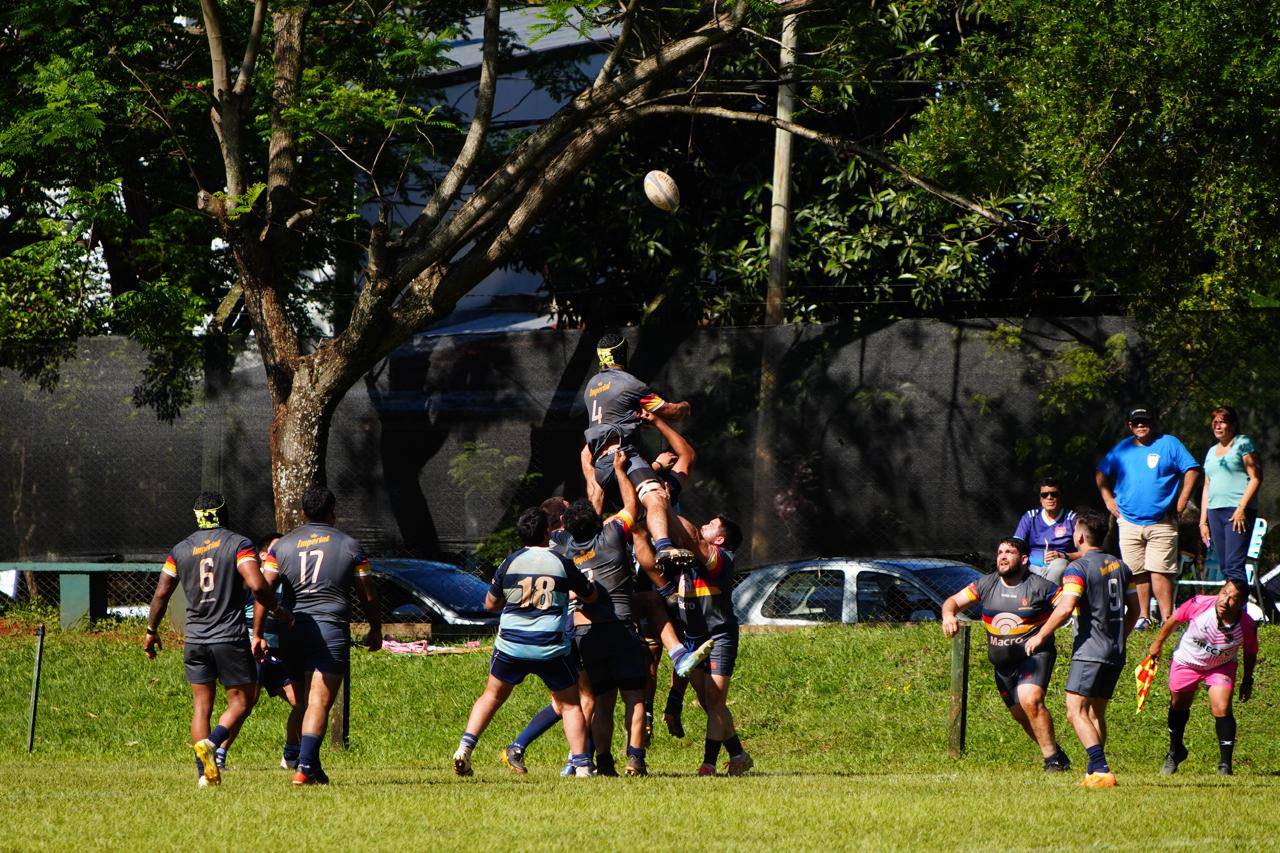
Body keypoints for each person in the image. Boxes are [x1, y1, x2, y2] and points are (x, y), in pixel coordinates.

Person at [143, 493, 292, 787]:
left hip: (195, 638)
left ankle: (205, 774)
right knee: (243, 701)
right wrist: (278, 610)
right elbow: (257, 585)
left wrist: (151, 630)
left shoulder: (180, 549)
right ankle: (212, 742)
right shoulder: (238, 544)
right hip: (229, 637)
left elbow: (162, 592)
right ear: (224, 514)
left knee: (202, 707)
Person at [454, 507, 600, 778]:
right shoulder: (561, 562)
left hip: (512, 644)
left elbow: (490, 604)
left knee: (492, 695)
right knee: (570, 704)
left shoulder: (510, 562)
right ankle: (581, 765)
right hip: (549, 646)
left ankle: (464, 748)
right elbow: (590, 595)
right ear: (547, 533)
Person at [263, 486, 381, 785]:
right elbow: (366, 594)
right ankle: (304, 767)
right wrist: (375, 627)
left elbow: (262, 589)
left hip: (291, 630)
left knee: (303, 702)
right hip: (329, 629)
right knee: (318, 702)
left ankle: (313, 767)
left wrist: (259, 630)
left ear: (303, 513)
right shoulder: (350, 546)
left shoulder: (281, 546)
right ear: (333, 512)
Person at [1024, 509, 1138, 788]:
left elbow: (1066, 607)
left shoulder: (1078, 568)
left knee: (1075, 710)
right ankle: (1093, 773)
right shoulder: (1122, 567)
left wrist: (1040, 635)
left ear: (1080, 537)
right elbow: (1135, 609)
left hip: (1090, 650)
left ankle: (1101, 768)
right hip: (1115, 651)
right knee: (1096, 712)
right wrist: (1119, 637)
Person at [941, 538, 1071, 772]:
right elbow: (952, 602)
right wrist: (949, 616)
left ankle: (1052, 762)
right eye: (1000, 552)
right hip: (1002, 665)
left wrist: (1042, 635)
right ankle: (1057, 754)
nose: (1002, 556)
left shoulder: (1040, 586)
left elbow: (1066, 607)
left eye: (1009, 552)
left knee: (1030, 700)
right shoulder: (986, 584)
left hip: (1034, 656)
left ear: (1024, 559)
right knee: (1022, 715)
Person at [581, 329, 693, 573]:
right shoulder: (629, 384)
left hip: (601, 466)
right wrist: (686, 406)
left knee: (636, 528)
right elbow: (671, 412)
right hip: (623, 455)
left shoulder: (591, 386)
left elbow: (613, 414)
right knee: (656, 496)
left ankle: (590, 551)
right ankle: (664, 546)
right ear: (623, 354)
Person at [561, 481, 651, 776]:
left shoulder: (565, 546)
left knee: (602, 701)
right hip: (619, 628)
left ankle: (604, 762)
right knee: (634, 696)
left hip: (585, 634)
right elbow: (632, 507)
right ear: (598, 522)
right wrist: (621, 472)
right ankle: (635, 758)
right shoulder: (611, 535)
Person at [664, 511, 752, 776]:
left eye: (711, 524)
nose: (704, 525)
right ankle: (738, 754)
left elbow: (692, 536)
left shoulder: (722, 557)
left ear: (720, 539)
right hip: (694, 637)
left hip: (719, 636)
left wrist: (663, 505)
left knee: (714, 700)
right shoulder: (693, 555)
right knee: (707, 701)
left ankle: (708, 764)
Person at [1095, 406, 1200, 628]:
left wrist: (1182, 500)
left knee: (1161, 571)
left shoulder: (1169, 443)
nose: (1141, 425)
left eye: (1145, 421)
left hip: (1163, 521)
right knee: (1136, 572)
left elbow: (1192, 469)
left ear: (1153, 423)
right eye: (1136, 422)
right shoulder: (1122, 448)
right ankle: (1142, 617)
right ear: (1129, 425)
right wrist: (1108, 499)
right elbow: (1101, 473)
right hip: (1128, 521)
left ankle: (1167, 619)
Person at [1148, 579, 1257, 776]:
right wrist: (1157, 644)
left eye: (1233, 598)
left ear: (1242, 604)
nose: (1225, 600)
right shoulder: (1199, 603)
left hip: (1221, 666)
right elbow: (1174, 619)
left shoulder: (1247, 625)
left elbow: (1250, 652)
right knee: (1179, 704)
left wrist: (1247, 680)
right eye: (1224, 593)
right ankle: (1175, 751)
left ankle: (1225, 765)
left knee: (1222, 707)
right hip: (1187, 661)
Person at [1199, 406, 1263, 584]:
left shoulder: (1243, 443)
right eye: (1214, 422)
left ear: (1233, 424)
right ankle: (1235, 601)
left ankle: (1237, 602)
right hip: (1214, 512)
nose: (1217, 426)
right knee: (1225, 566)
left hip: (1237, 512)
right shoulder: (1211, 451)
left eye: (1222, 422)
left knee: (1234, 566)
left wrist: (1241, 509)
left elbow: (1256, 477)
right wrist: (1203, 522)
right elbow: (1207, 486)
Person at [1012, 478, 1079, 584]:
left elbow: (1086, 552)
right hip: (1031, 566)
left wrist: (1064, 556)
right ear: (1040, 499)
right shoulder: (1030, 516)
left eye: (1054, 494)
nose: (1049, 497)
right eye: (1044, 495)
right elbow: (1016, 545)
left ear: (1061, 496)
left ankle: (1047, 592)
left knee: (1060, 565)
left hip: (1059, 568)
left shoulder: (1072, 519)